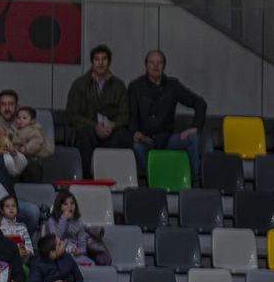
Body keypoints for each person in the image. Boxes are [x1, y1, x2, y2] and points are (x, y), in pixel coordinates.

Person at [128, 49, 206, 177]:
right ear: (146, 65)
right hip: (145, 139)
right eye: (152, 62)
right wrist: (135, 132)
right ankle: (155, 178)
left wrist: (195, 127)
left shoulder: (172, 85)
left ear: (164, 65)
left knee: (193, 138)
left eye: (159, 62)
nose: (155, 66)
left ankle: (193, 180)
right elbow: (131, 116)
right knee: (135, 147)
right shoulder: (135, 87)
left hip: (167, 139)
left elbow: (200, 103)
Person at [66, 44, 130, 177]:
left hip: (111, 130)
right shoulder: (79, 84)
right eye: (97, 59)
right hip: (88, 130)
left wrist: (112, 126)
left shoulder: (119, 85)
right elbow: (72, 114)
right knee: (85, 135)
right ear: (92, 62)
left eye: (104, 59)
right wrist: (94, 126)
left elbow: (124, 115)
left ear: (109, 62)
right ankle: (86, 179)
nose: (100, 63)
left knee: (123, 136)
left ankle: (115, 177)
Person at [0, 90, 45, 184]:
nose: (7, 108)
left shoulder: (26, 122)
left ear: (17, 107)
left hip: (26, 162)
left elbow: (37, 142)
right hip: (1, 161)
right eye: (3, 104)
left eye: (11, 104)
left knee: (32, 165)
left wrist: (20, 149)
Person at [42, 191, 110, 267]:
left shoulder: (78, 222)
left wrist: (78, 251)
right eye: (65, 204)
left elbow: (83, 246)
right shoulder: (52, 221)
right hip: (59, 255)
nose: (70, 206)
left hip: (75, 255)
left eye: (72, 203)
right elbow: (56, 238)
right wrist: (64, 218)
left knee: (91, 264)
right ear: (59, 206)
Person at [0, 195, 30, 260]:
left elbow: (29, 247)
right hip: (2, 259)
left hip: (19, 259)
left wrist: (25, 252)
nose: (11, 208)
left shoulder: (22, 227)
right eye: (7, 206)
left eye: (13, 206)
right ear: (2, 211)